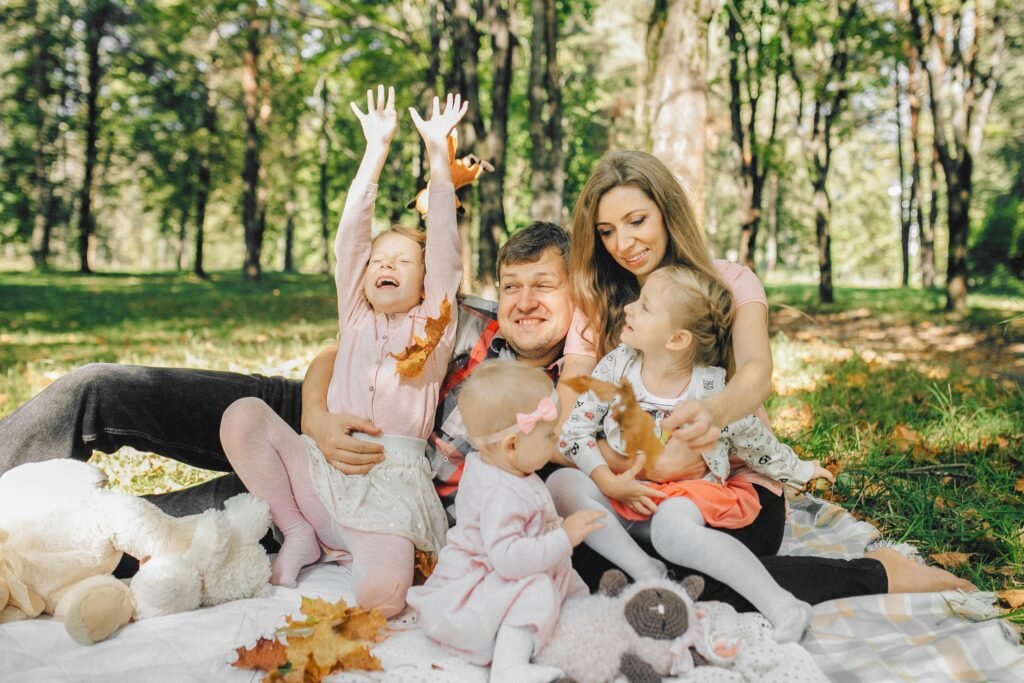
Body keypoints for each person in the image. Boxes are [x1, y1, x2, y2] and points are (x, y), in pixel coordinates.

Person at [0, 213, 968, 605]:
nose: (525, 302)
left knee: (170, 531)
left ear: (584, 302)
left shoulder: (588, 386)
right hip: (320, 416)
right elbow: (353, 317)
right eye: (513, 286)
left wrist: (873, 572)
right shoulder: (464, 319)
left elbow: (660, 515)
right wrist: (318, 385)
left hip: (369, 497)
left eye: (546, 287)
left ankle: (29, 553)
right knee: (96, 389)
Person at [554, 150, 974, 602]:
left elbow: (755, 374)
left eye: (637, 220)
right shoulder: (598, 302)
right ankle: (682, 577)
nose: (623, 243)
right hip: (626, 494)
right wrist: (641, 466)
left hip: (727, 492)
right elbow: (566, 423)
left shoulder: (730, 282)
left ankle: (874, 575)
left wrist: (710, 416)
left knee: (673, 563)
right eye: (607, 231)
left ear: (667, 212)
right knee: (581, 554)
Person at [218, 87, 465, 617]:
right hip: (320, 478)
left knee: (383, 598)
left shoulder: (436, 322)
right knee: (243, 416)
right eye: (379, 259)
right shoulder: (355, 317)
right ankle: (298, 531)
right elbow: (350, 239)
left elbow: (444, 245)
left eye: (403, 260)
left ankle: (355, 554)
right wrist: (375, 150)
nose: (385, 265)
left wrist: (439, 158)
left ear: (426, 283)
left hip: (388, 496)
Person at [549, 265, 836, 642]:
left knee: (671, 526)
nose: (629, 309)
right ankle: (648, 572)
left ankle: (783, 606)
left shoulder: (709, 387)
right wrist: (608, 481)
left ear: (677, 339)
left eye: (645, 307)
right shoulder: (616, 367)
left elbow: (754, 440)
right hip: (627, 491)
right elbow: (574, 432)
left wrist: (799, 469)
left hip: (688, 497)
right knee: (561, 484)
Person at [407, 360, 603, 683]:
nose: (556, 440)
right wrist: (563, 537)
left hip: (502, 574)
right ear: (512, 446)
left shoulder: (504, 468)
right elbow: (509, 561)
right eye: (549, 436)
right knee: (537, 586)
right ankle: (509, 667)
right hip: (476, 592)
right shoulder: (500, 492)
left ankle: (586, 619)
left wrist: (554, 534)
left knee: (560, 571)